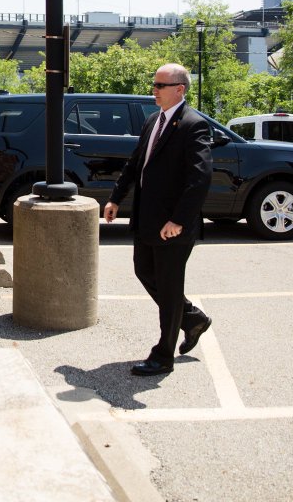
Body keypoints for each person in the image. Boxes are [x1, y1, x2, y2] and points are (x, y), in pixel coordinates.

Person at [104, 63, 213, 377]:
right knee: (144, 271)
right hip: (147, 219)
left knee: (168, 286)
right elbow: (136, 163)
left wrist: (179, 219)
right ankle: (192, 318)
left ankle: (163, 355)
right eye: (153, 84)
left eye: (159, 85)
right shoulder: (153, 120)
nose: (154, 89)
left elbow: (199, 178)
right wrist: (115, 198)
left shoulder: (194, 125)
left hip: (172, 226)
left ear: (179, 89)